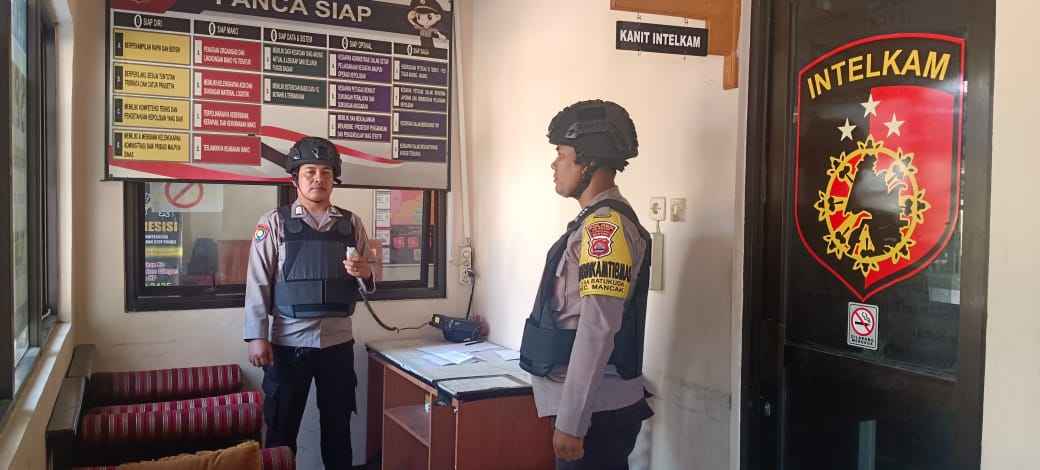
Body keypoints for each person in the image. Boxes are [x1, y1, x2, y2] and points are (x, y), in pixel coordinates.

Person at [519, 100, 654, 470]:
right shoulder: (591, 222)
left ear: (588, 162)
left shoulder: (605, 228)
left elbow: (597, 327)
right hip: (594, 407)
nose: (554, 164)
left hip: (596, 413)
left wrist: (572, 422)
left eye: (561, 154)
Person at [243, 136, 376, 470]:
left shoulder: (351, 223)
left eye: (326, 172)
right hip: (288, 345)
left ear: (334, 178)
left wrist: (365, 272)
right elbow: (258, 281)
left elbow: (370, 278)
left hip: (338, 344)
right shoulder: (273, 222)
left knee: (338, 429)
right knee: (281, 431)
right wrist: (256, 336)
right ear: (295, 179)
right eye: (310, 172)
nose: (319, 178)